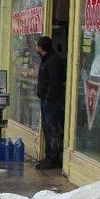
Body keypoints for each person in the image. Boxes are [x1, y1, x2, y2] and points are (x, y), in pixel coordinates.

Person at [36, 36, 64, 170]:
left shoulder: (53, 61)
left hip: (52, 102)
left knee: (53, 129)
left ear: (41, 48)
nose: (36, 48)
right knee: (47, 129)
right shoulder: (46, 59)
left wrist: (48, 97)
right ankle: (48, 157)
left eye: (37, 46)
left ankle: (54, 158)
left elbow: (55, 82)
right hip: (46, 100)